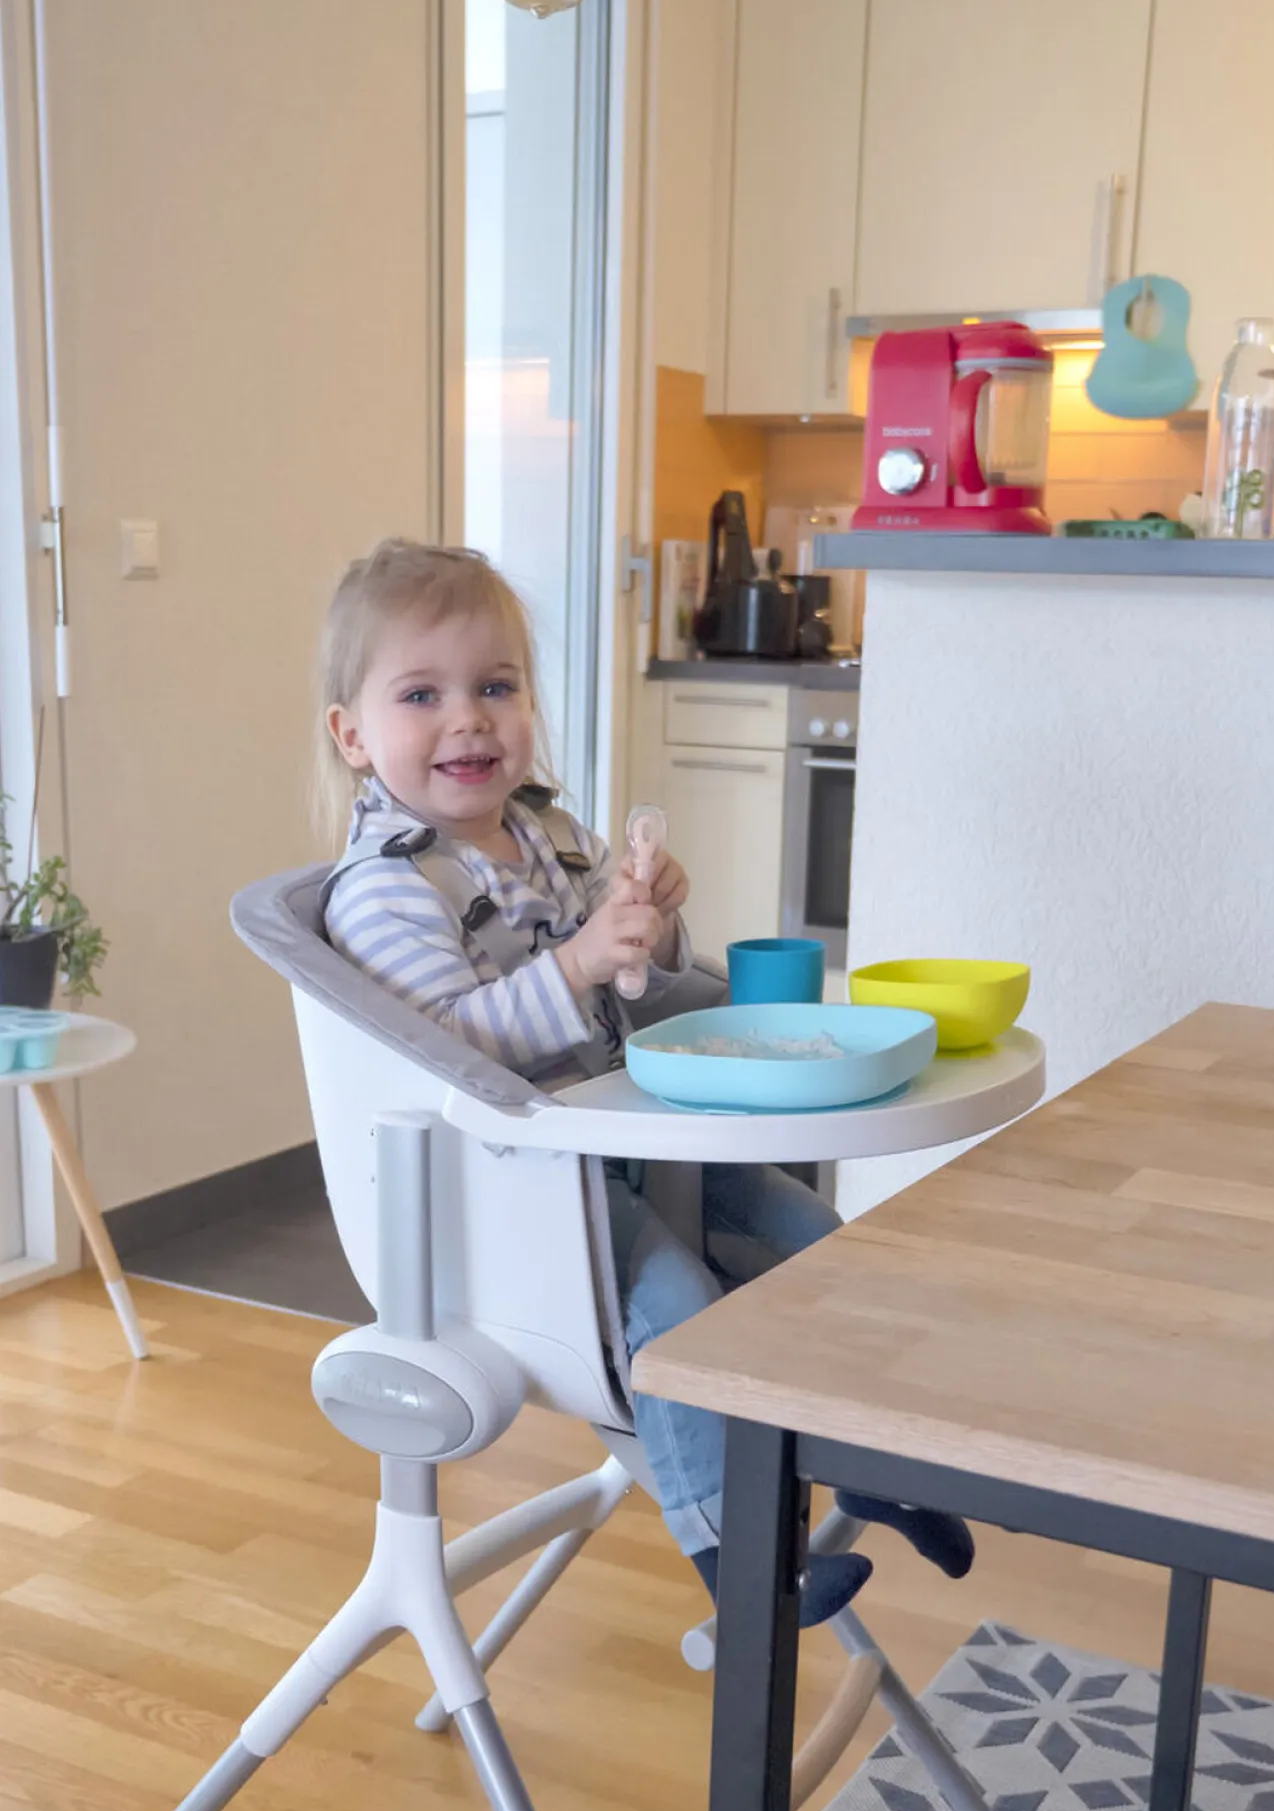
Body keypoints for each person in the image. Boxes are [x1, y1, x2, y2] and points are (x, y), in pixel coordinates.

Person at [316, 539, 971, 1623]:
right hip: (517, 1189)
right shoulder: (385, 890)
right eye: (422, 695)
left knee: (817, 1245)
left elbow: (636, 994)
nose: (469, 720)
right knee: (673, 1301)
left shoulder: (549, 837)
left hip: (625, 1142)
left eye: (496, 686)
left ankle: (876, 1462)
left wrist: (651, 932)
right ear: (353, 734)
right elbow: (445, 1049)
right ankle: (740, 1561)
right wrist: (576, 963)